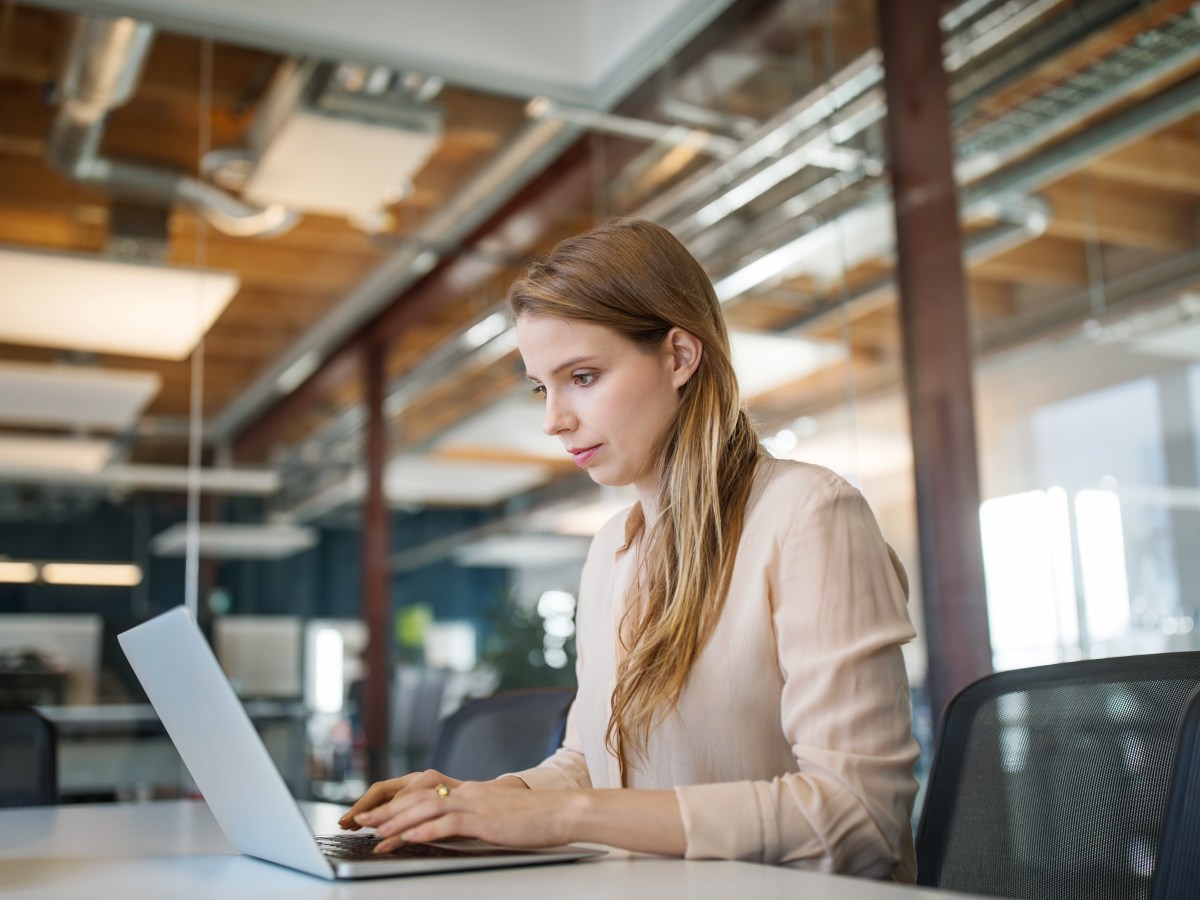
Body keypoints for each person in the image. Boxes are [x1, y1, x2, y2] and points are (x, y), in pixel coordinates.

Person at [340, 217, 920, 880]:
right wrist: (474, 802)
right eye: (541, 386)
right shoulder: (613, 548)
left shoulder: (809, 514)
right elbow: (589, 763)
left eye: (581, 376)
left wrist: (565, 818)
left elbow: (858, 817)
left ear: (678, 356)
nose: (553, 419)